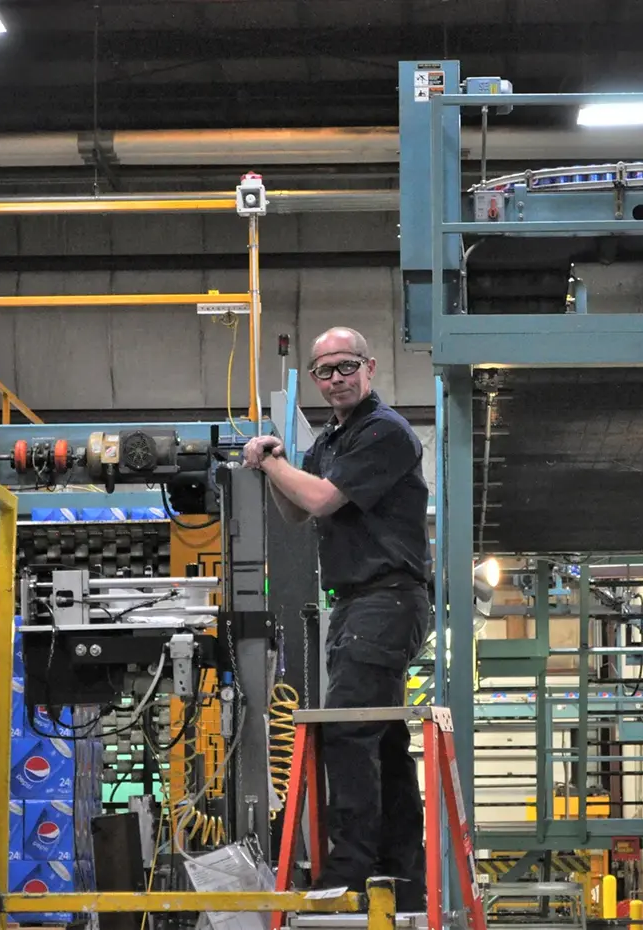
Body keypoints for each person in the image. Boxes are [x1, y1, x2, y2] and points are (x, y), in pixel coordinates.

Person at [243, 326, 430, 911]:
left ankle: (349, 870)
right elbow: (299, 514)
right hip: (358, 603)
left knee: (348, 729)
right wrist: (275, 469)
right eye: (325, 371)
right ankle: (400, 871)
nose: (336, 379)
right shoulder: (330, 441)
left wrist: (272, 464)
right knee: (382, 737)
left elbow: (322, 499)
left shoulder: (383, 432)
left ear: (369, 368)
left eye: (346, 366)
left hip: (387, 598)